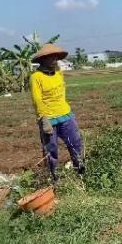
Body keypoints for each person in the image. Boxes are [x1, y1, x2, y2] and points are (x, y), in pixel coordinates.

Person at [30, 43, 85, 182]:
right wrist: (43, 119)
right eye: (51, 58)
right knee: (51, 150)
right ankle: (54, 178)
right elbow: (37, 100)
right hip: (49, 119)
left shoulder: (59, 73)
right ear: (42, 60)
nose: (54, 60)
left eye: (56, 57)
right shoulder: (36, 77)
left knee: (76, 143)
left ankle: (81, 173)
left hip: (65, 115)